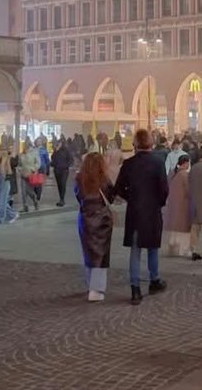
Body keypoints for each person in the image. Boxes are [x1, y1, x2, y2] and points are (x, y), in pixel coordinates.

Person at [113, 128, 169, 304]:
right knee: (153, 248)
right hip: (152, 211)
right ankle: (154, 280)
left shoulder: (129, 164)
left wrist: (132, 198)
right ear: (151, 142)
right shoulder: (158, 162)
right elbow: (164, 190)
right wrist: (158, 202)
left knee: (135, 251)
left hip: (135, 212)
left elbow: (118, 188)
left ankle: (135, 288)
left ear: (135, 143)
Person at [75, 152, 116, 300]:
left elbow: (78, 196)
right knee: (101, 254)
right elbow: (111, 197)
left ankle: (90, 284)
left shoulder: (80, 178)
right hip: (102, 219)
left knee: (89, 252)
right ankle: (96, 289)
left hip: (85, 217)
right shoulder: (103, 179)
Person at [163, 154, 193, 257]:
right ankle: (183, 250)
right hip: (183, 204)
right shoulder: (184, 175)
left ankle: (172, 244)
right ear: (185, 163)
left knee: (174, 226)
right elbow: (190, 190)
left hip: (172, 203)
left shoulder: (173, 173)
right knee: (184, 228)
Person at [0, 144, 19, 227]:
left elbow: (9, 172)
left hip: (5, 181)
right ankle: (13, 214)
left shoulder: (6, 159)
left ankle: (0, 220)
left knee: (2, 201)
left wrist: (3, 166)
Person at [19, 139, 43, 210]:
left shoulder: (34, 152)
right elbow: (20, 164)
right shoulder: (22, 154)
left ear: (29, 145)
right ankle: (25, 206)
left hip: (31, 174)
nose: (25, 146)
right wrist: (19, 169)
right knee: (23, 191)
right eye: (24, 144)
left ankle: (35, 201)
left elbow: (38, 163)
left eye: (26, 144)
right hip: (23, 174)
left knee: (30, 191)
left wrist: (34, 169)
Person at [52, 138, 72, 206]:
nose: (59, 144)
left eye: (60, 143)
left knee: (63, 184)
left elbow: (70, 159)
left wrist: (66, 165)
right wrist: (56, 151)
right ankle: (61, 198)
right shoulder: (56, 150)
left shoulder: (66, 151)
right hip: (57, 170)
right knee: (59, 185)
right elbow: (52, 158)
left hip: (64, 170)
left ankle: (62, 199)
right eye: (58, 143)